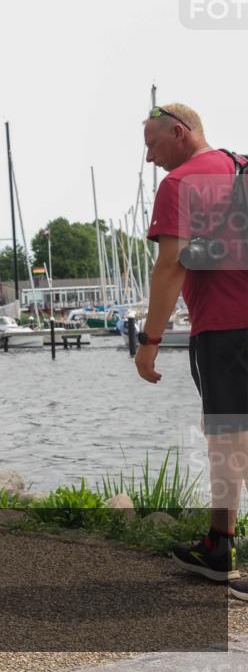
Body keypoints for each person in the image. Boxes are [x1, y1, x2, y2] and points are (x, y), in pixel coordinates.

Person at [135, 104, 248, 597]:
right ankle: (220, 546)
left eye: (152, 143)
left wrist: (150, 341)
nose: (148, 157)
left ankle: (224, 545)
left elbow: (169, 269)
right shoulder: (243, 167)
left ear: (178, 133)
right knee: (228, 440)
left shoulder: (180, 183)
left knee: (230, 441)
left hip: (225, 329)